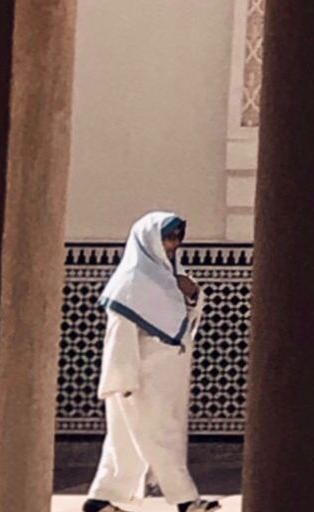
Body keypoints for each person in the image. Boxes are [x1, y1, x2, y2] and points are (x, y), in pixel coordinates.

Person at [82, 209, 216, 512]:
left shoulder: (170, 280)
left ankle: (99, 500)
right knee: (159, 437)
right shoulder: (130, 283)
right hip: (139, 379)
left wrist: (192, 295)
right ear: (149, 241)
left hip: (164, 379)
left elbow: (184, 320)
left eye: (176, 238)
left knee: (127, 443)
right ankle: (186, 500)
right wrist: (122, 379)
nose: (172, 245)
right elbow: (120, 335)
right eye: (167, 238)